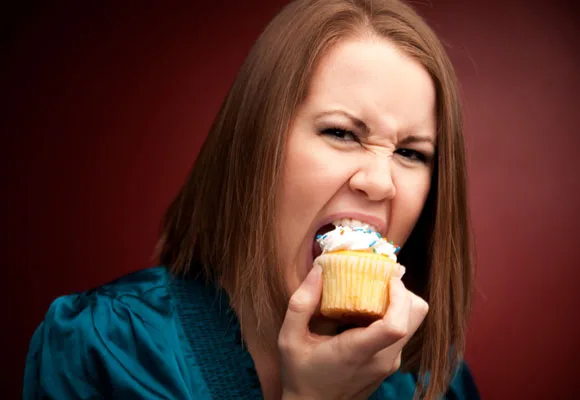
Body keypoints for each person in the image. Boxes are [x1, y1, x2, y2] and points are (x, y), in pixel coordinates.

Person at [23, 0, 480, 398]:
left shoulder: (434, 382)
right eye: (340, 132)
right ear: (255, 148)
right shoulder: (103, 348)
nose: (381, 183)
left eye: (409, 152)